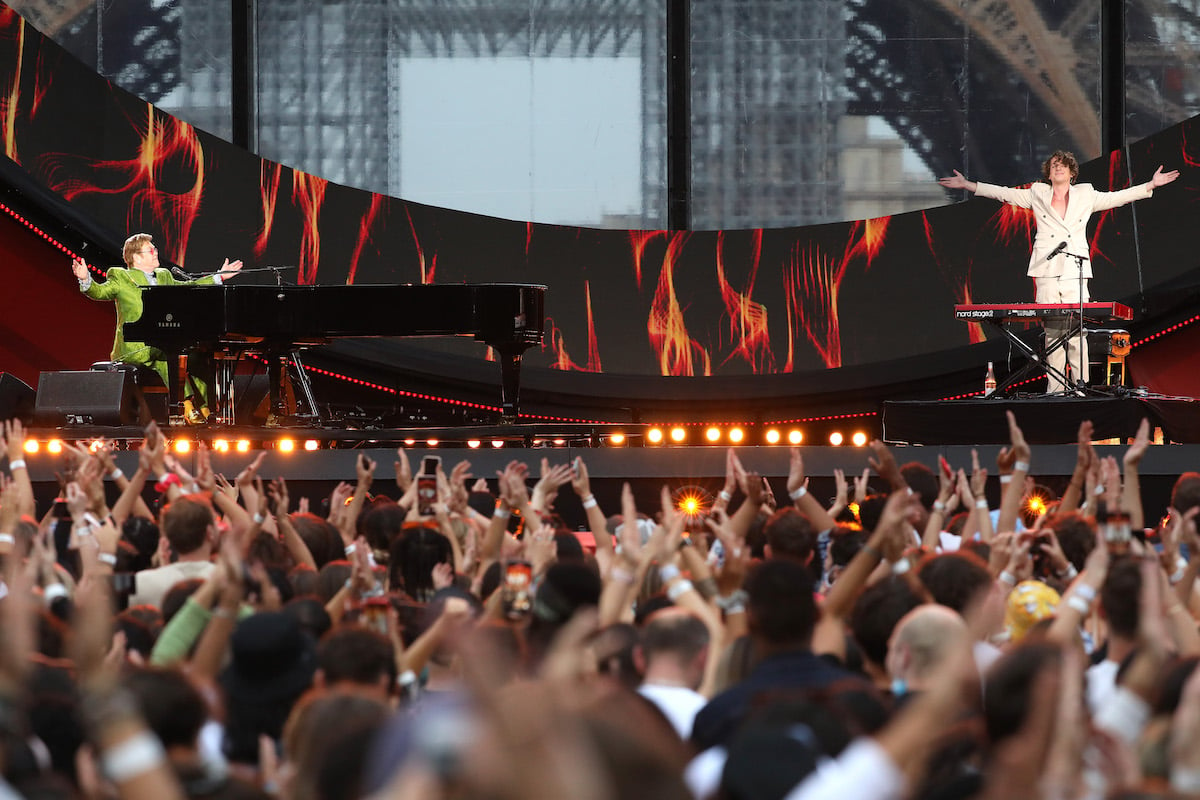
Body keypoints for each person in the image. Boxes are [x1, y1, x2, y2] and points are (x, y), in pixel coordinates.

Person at [938, 152, 1179, 393]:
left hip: (1075, 268)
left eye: (1062, 165)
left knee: (1076, 332)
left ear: (1072, 173)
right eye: (1054, 165)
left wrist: (1150, 185)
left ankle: (1080, 387)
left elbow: (1117, 197)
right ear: (1048, 173)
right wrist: (969, 185)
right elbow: (1004, 193)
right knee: (1053, 333)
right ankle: (1055, 390)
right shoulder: (1037, 193)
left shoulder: (1086, 194)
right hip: (1046, 268)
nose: (1058, 168)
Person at [72, 233, 243, 422]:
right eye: (151, 250)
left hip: (162, 342)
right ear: (136, 257)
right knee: (167, 356)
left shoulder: (164, 275)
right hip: (135, 348)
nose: (156, 253)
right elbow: (100, 292)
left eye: (155, 249)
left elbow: (189, 288)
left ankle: (205, 409)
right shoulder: (121, 276)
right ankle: (185, 405)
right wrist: (86, 280)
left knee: (194, 356)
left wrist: (218, 278)